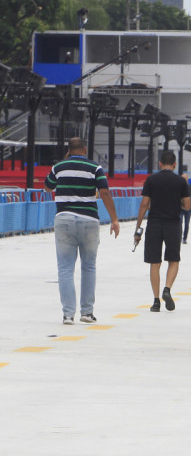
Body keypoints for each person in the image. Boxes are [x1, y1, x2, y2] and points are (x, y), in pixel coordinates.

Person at [46, 137, 120, 325]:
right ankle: (87, 312)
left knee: (65, 269)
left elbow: (47, 186)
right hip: (89, 220)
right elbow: (104, 193)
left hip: (64, 219)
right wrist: (114, 219)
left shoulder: (59, 167)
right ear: (85, 149)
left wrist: (64, 162)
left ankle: (68, 315)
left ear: (69, 150)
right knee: (88, 266)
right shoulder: (95, 168)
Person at [133, 150, 191, 312]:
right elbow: (187, 206)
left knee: (155, 263)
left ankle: (156, 301)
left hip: (154, 224)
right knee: (173, 260)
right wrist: (176, 205)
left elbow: (144, 204)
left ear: (160, 163)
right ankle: (167, 289)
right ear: (174, 164)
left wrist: (138, 228)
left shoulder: (151, 180)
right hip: (173, 224)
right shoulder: (180, 182)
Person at [180, 178, 191, 244]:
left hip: (188, 208)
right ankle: (180, 237)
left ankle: (184, 238)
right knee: (180, 223)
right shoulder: (178, 186)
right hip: (180, 207)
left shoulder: (190, 187)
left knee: (186, 224)